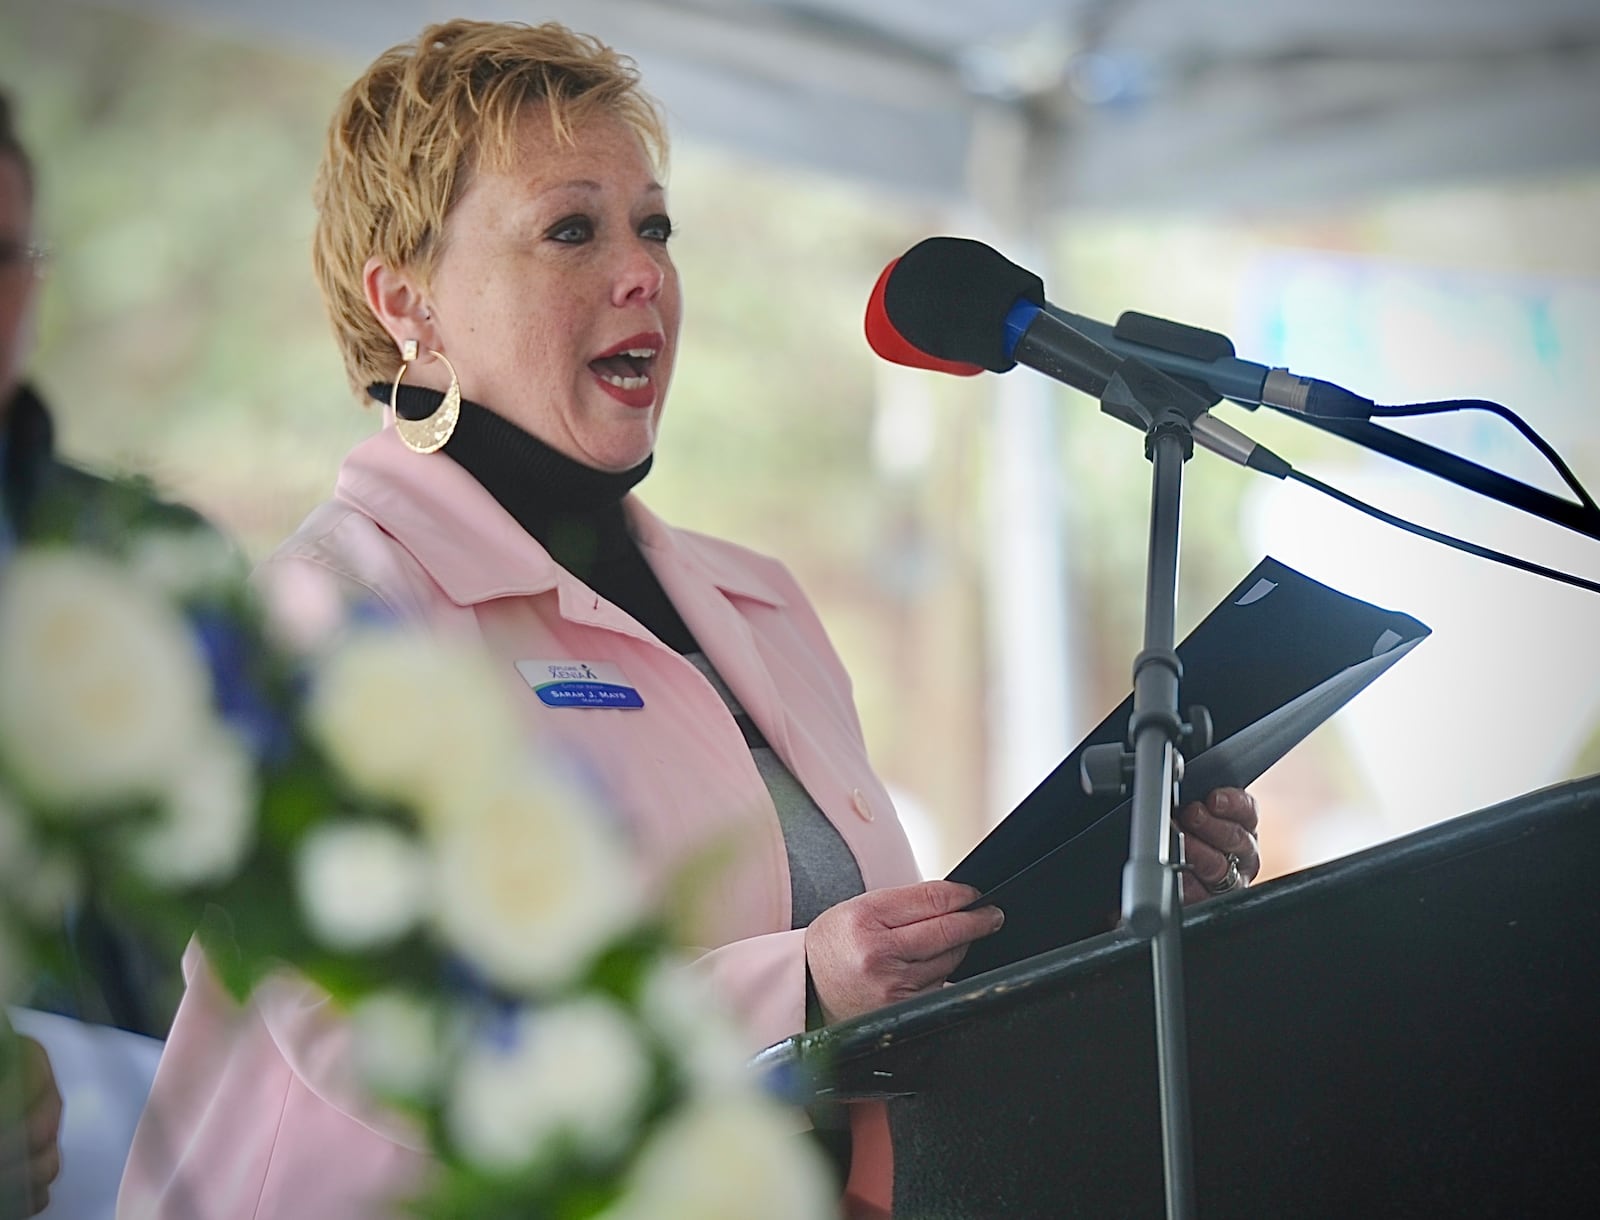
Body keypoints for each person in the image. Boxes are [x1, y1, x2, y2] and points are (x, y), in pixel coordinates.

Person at [117, 21, 1263, 1219]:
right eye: (573, 229)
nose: (641, 273)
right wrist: (799, 987)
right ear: (408, 303)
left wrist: (1104, 893)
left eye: (652, 226)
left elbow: (866, 994)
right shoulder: (325, 613)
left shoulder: (759, 603)